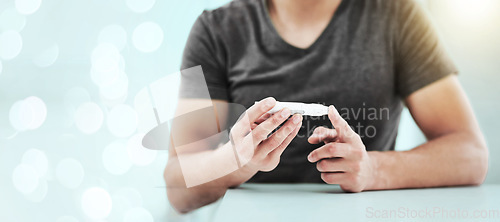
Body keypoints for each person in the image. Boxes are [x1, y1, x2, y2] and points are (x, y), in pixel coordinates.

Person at [164, 0, 489, 213]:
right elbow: (177, 186)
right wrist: (234, 160)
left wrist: (372, 170)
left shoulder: (398, 15)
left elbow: (471, 154)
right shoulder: (213, 31)